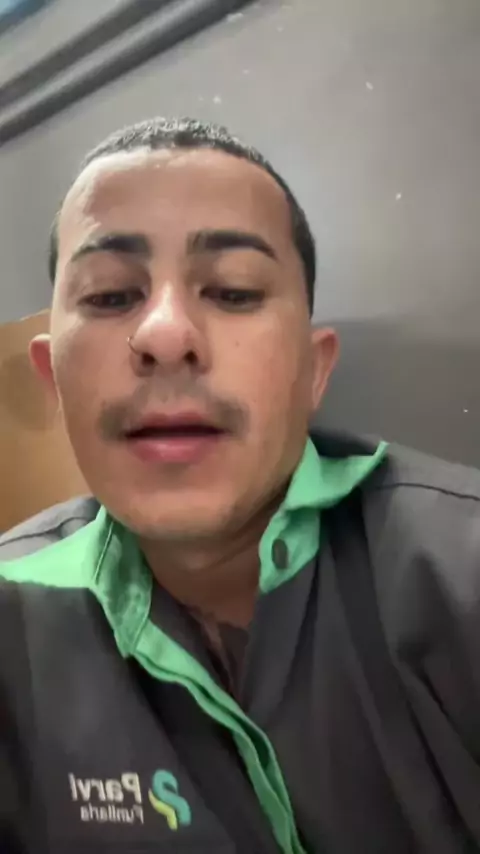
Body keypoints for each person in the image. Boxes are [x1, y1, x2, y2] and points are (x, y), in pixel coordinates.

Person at [1, 116, 480, 854]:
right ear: (52, 380)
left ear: (314, 371)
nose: (165, 335)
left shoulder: (458, 573)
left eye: (232, 290)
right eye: (110, 296)